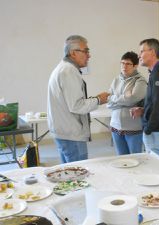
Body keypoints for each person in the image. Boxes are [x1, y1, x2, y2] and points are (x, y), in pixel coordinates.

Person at [47, 35, 109, 163]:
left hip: (65, 132)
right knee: (78, 175)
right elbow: (77, 106)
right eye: (85, 51)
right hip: (72, 135)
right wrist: (98, 99)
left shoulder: (63, 68)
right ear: (73, 53)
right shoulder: (68, 71)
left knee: (68, 173)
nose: (89, 55)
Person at [130, 38, 159, 160]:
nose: (139, 56)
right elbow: (155, 102)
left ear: (152, 52)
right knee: (156, 163)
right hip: (156, 128)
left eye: (142, 51)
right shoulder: (156, 72)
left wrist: (148, 128)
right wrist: (143, 109)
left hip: (157, 130)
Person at [106, 51, 147, 155]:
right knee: (122, 159)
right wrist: (124, 97)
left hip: (133, 127)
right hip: (115, 126)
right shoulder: (116, 80)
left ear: (135, 66)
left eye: (128, 64)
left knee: (135, 158)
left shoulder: (140, 81)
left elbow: (132, 99)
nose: (124, 66)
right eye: (122, 63)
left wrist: (114, 98)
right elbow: (107, 101)